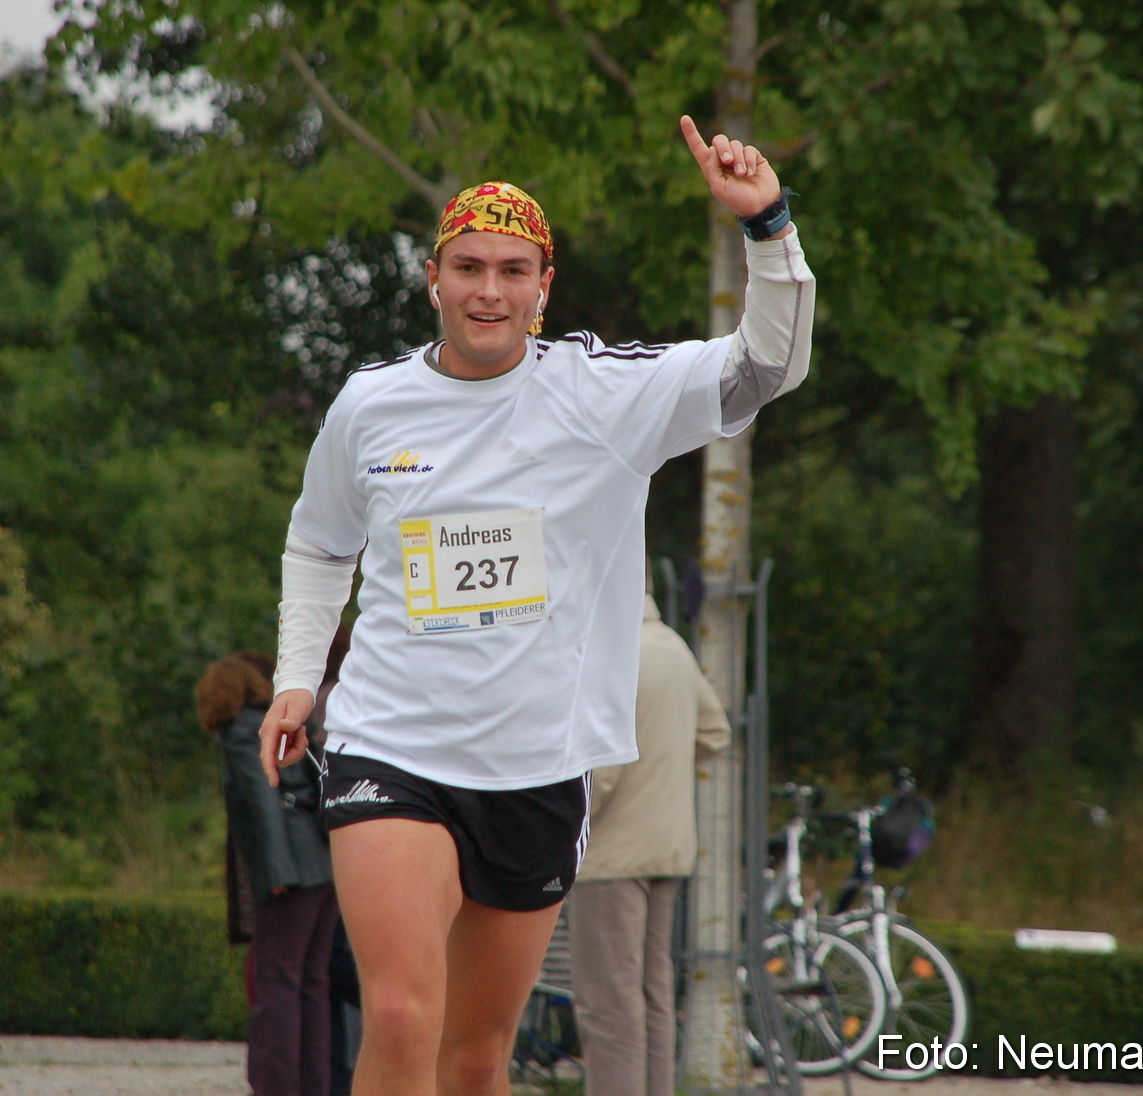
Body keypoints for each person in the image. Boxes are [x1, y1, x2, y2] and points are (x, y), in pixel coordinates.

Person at [259, 116, 814, 1096]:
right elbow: (320, 542)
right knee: (396, 1013)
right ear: (433, 279)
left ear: (544, 288)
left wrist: (766, 224)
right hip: (392, 742)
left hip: (537, 766)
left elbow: (767, 367)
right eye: (468, 267)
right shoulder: (368, 405)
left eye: (514, 271)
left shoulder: (603, 395)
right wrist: (299, 679)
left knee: (477, 1059)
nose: (488, 290)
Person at [566, 587, 732, 1096]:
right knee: (654, 996)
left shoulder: (610, 651)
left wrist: (563, 828)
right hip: (669, 847)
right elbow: (716, 733)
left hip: (611, 857)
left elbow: (606, 771)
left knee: (608, 1004)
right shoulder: (674, 647)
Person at [199, 652, 340, 1096]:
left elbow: (265, 799)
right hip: (323, 864)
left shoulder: (241, 733)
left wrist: (277, 871)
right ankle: (313, 1085)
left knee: (276, 981)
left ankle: (274, 1086)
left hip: (293, 873)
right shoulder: (278, 724)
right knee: (312, 982)